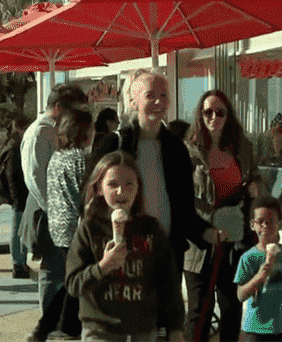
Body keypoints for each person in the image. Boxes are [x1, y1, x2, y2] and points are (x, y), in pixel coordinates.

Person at [88, 69, 221, 339]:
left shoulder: (176, 148)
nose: (159, 102)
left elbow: (184, 208)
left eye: (164, 95)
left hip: (164, 254)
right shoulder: (115, 144)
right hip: (122, 255)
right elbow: (91, 199)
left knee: (153, 330)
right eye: (151, 96)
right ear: (133, 101)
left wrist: (204, 232)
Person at [66, 151, 185, 342]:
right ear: (98, 188)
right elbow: (73, 284)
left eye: (129, 183)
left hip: (143, 329)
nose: (121, 191)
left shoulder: (151, 229)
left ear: (138, 188)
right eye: (112, 184)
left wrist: (176, 328)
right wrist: (103, 266)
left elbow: (169, 283)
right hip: (100, 330)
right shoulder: (89, 230)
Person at [183, 89, 261, 342]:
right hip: (200, 240)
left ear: (228, 116)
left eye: (220, 112)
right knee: (199, 310)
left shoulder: (241, 147)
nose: (213, 117)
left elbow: (256, 181)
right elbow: (183, 197)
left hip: (235, 235)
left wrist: (255, 189)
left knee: (231, 305)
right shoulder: (189, 151)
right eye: (208, 112)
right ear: (200, 115)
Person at [20, 83, 89, 342]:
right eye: (74, 110)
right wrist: (55, 209)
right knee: (53, 272)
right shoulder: (42, 132)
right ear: (59, 108)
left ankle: (55, 325)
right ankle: (51, 327)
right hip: (47, 211)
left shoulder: (53, 132)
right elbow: (36, 176)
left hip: (56, 210)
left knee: (63, 272)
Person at [44, 107, 93, 339]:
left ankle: (64, 325)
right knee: (77, 280)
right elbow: (86, 197)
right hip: (75, 226)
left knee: (68, 276)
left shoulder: (57, 157)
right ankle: (68, 327)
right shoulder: (81, 159)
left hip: (57, 226)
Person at [235, 198, 282, 342]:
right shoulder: (248, 258)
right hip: (255, 331)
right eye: (260, 221)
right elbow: (240, 295)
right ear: (252, 225)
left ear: (278, 223)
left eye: (270, 221)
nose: (265, 225)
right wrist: (260, 276)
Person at [0, 115, 32, 279]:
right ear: (19, 129)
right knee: (18, 230)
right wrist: (17, 199)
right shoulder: (14, 148)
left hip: (19, 195)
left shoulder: (12, 145)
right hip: (19, 196)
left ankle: (20, 261)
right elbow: (12, 176)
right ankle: (18, 263)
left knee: (20, 229)